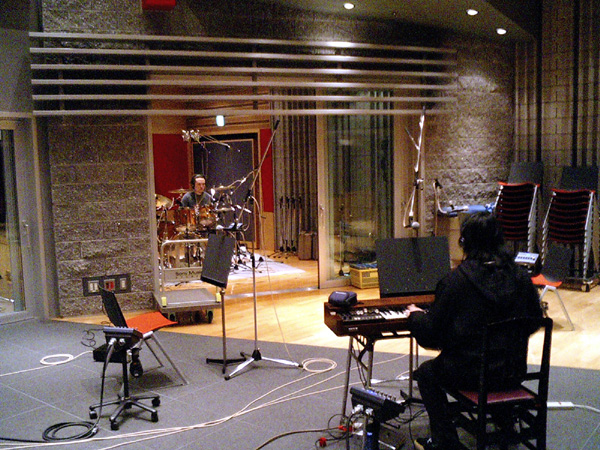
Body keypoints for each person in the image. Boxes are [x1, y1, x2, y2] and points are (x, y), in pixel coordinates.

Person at [405, 211, 544, 450]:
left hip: (469, 374)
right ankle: (504, 423)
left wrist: (415, 316)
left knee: (427, 373)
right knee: (487, 366)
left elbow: (431, 336)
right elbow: (534, 321)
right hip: (512, 371)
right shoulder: (521, 278)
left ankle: (446, 442)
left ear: (464, 242)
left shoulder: (455, 282)